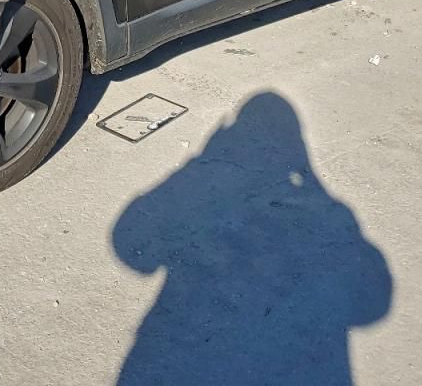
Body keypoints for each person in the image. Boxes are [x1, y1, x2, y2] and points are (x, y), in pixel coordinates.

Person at [113, 91, 392, 386]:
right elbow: (373, 306)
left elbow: (128, 247)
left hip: (174, 353)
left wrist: (190, 167)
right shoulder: (337, 217)